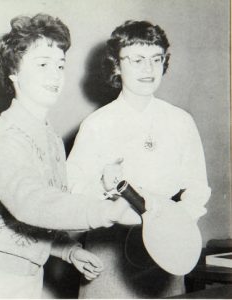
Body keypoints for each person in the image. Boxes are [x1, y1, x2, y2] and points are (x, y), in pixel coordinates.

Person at [0, 14, 138, 299]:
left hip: (25, 277)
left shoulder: (50, 138)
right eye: (42, 65)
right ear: (14, 73)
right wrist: (107, 210)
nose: (55, 74)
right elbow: (30, 203)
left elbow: (36, 217)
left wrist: (68, 250)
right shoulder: (4, 136)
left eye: (60, 65)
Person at [67, 20, 211, 298]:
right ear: (117, 66)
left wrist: (178, 227)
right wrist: (103, 185)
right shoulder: (97, 124)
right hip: (110, 254)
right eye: (137, 60)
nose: (148, 69)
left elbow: (197, 190)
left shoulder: (181, 122)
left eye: (156, 59)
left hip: (165, 254)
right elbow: (73, 188)